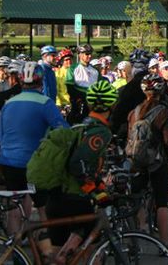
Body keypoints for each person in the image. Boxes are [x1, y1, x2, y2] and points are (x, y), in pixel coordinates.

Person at [45, 80, 118, 262]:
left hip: (56, 193)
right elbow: (79, 164)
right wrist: (95, 191)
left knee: (57, 251)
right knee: (93, 240)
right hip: (74, 196)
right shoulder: (100, 131)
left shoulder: (81, 124)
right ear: (111, 104)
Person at [0, 61, 69, 233]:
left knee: (15, 207)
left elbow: (2, 134)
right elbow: (64, 132)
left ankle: (14, 249)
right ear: (41, 82)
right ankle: (49, 246)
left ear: (21, 81)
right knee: (43, 205)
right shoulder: (45, 103)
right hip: (34, 164)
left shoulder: (8, 103)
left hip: (8, 162)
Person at [128, 74, 168, 245]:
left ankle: (140, 230)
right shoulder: (163, 112)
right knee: (161, 202)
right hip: (156, 161)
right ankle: (165, 243)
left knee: (136, 196)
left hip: (136, 161)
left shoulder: (134, 112)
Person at [109, 49, 151, 137]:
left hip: (131, 133)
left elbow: (119, 112)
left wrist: (112, 130)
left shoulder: (127, 89)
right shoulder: (158, 84)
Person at [65, 44, 99, 123]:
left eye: (90, 53)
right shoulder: (73, 68)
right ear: (80, 55)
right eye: (87, 54)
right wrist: (82, 98)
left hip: (93, 103)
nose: (90, 56)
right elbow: (70, 88)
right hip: (79, 103)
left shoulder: (95, 70)